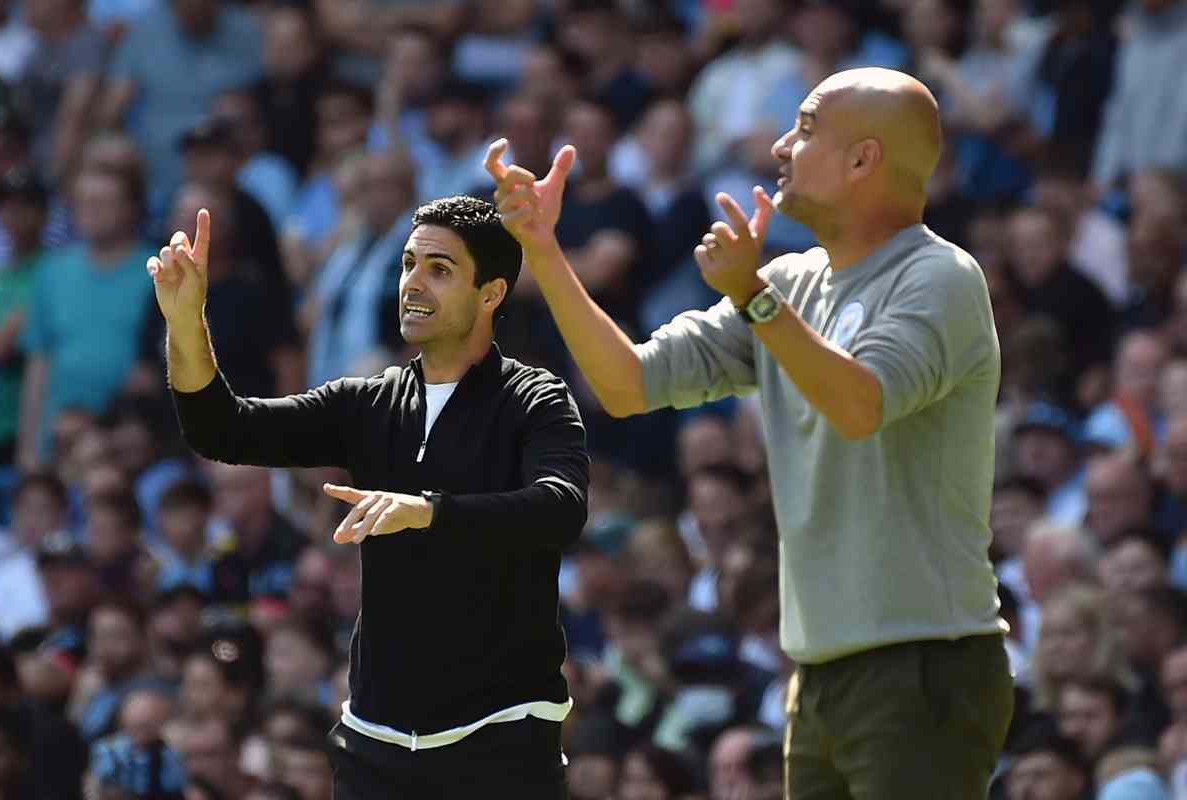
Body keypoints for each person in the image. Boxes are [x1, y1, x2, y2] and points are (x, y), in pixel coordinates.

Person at [487, 66, 1013, 796]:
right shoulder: (791, 282)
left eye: (803, 128)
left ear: (863, 159)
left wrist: (754, 295)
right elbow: (626, 384)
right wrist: (542, 248)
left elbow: (860, 406)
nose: (777, 146)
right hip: (821, 668)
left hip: (923, 661)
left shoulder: (940, 277)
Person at [146, 194, 588, 797]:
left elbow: (560, 507)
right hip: (374, 741)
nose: (413, 283)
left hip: (503, 736)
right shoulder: (367, 402)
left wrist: (431, 512)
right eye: (408, 264)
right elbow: (220, 428)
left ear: (491, 294)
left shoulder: (533, 398)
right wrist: (185, 321)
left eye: (440, 269)